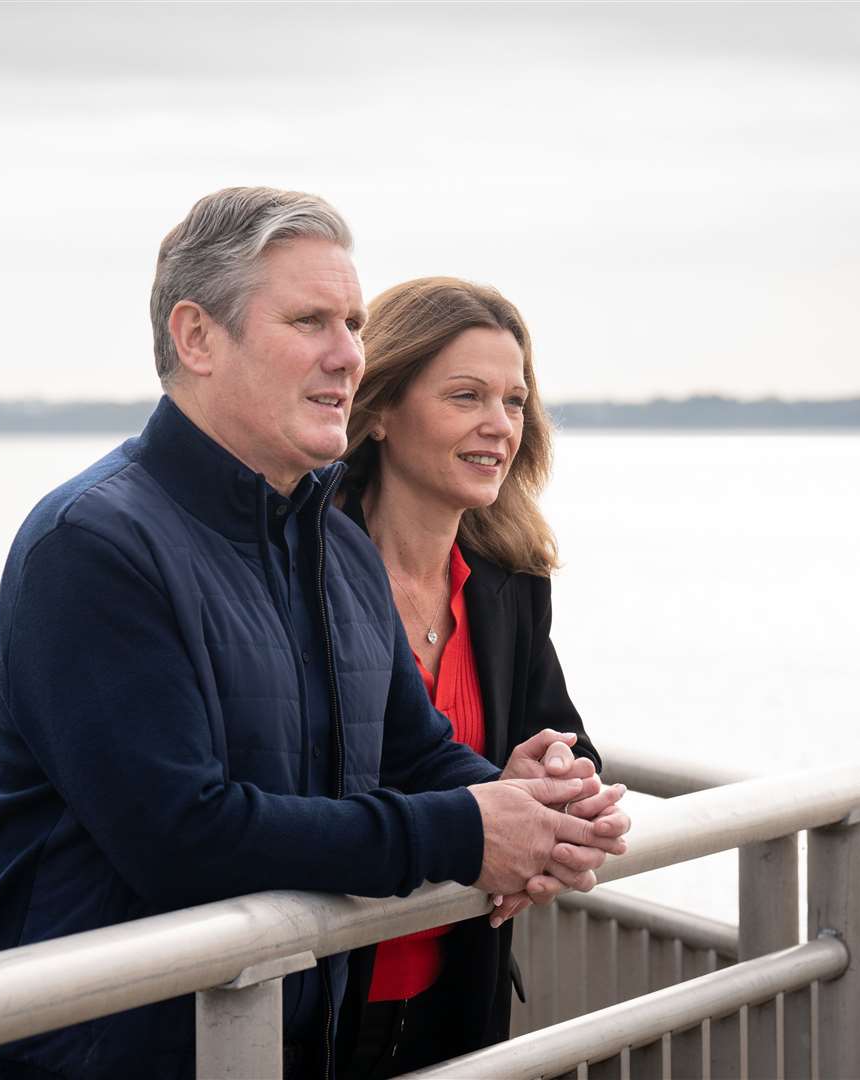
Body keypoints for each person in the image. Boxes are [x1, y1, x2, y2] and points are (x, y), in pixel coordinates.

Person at [0, 188, 630, 1080]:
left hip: (277, 1044)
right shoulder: (94, 544)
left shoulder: (333, 545)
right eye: (311, 321)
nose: (349, 354)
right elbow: (182, 838)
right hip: (89, 1056)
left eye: (352, 322)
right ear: (197, 339)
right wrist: (468, 833)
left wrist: (522, 799)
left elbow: (416, 754)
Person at [332, 277, 601, 1077]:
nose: (498, 426)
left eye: (515, 402)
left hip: (457, 1000)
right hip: (317, 1000)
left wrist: (560, 794)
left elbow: (563, 736)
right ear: (377, 410)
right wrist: (489, 810)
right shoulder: (306, 568)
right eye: (466, 396)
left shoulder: (506, 579)